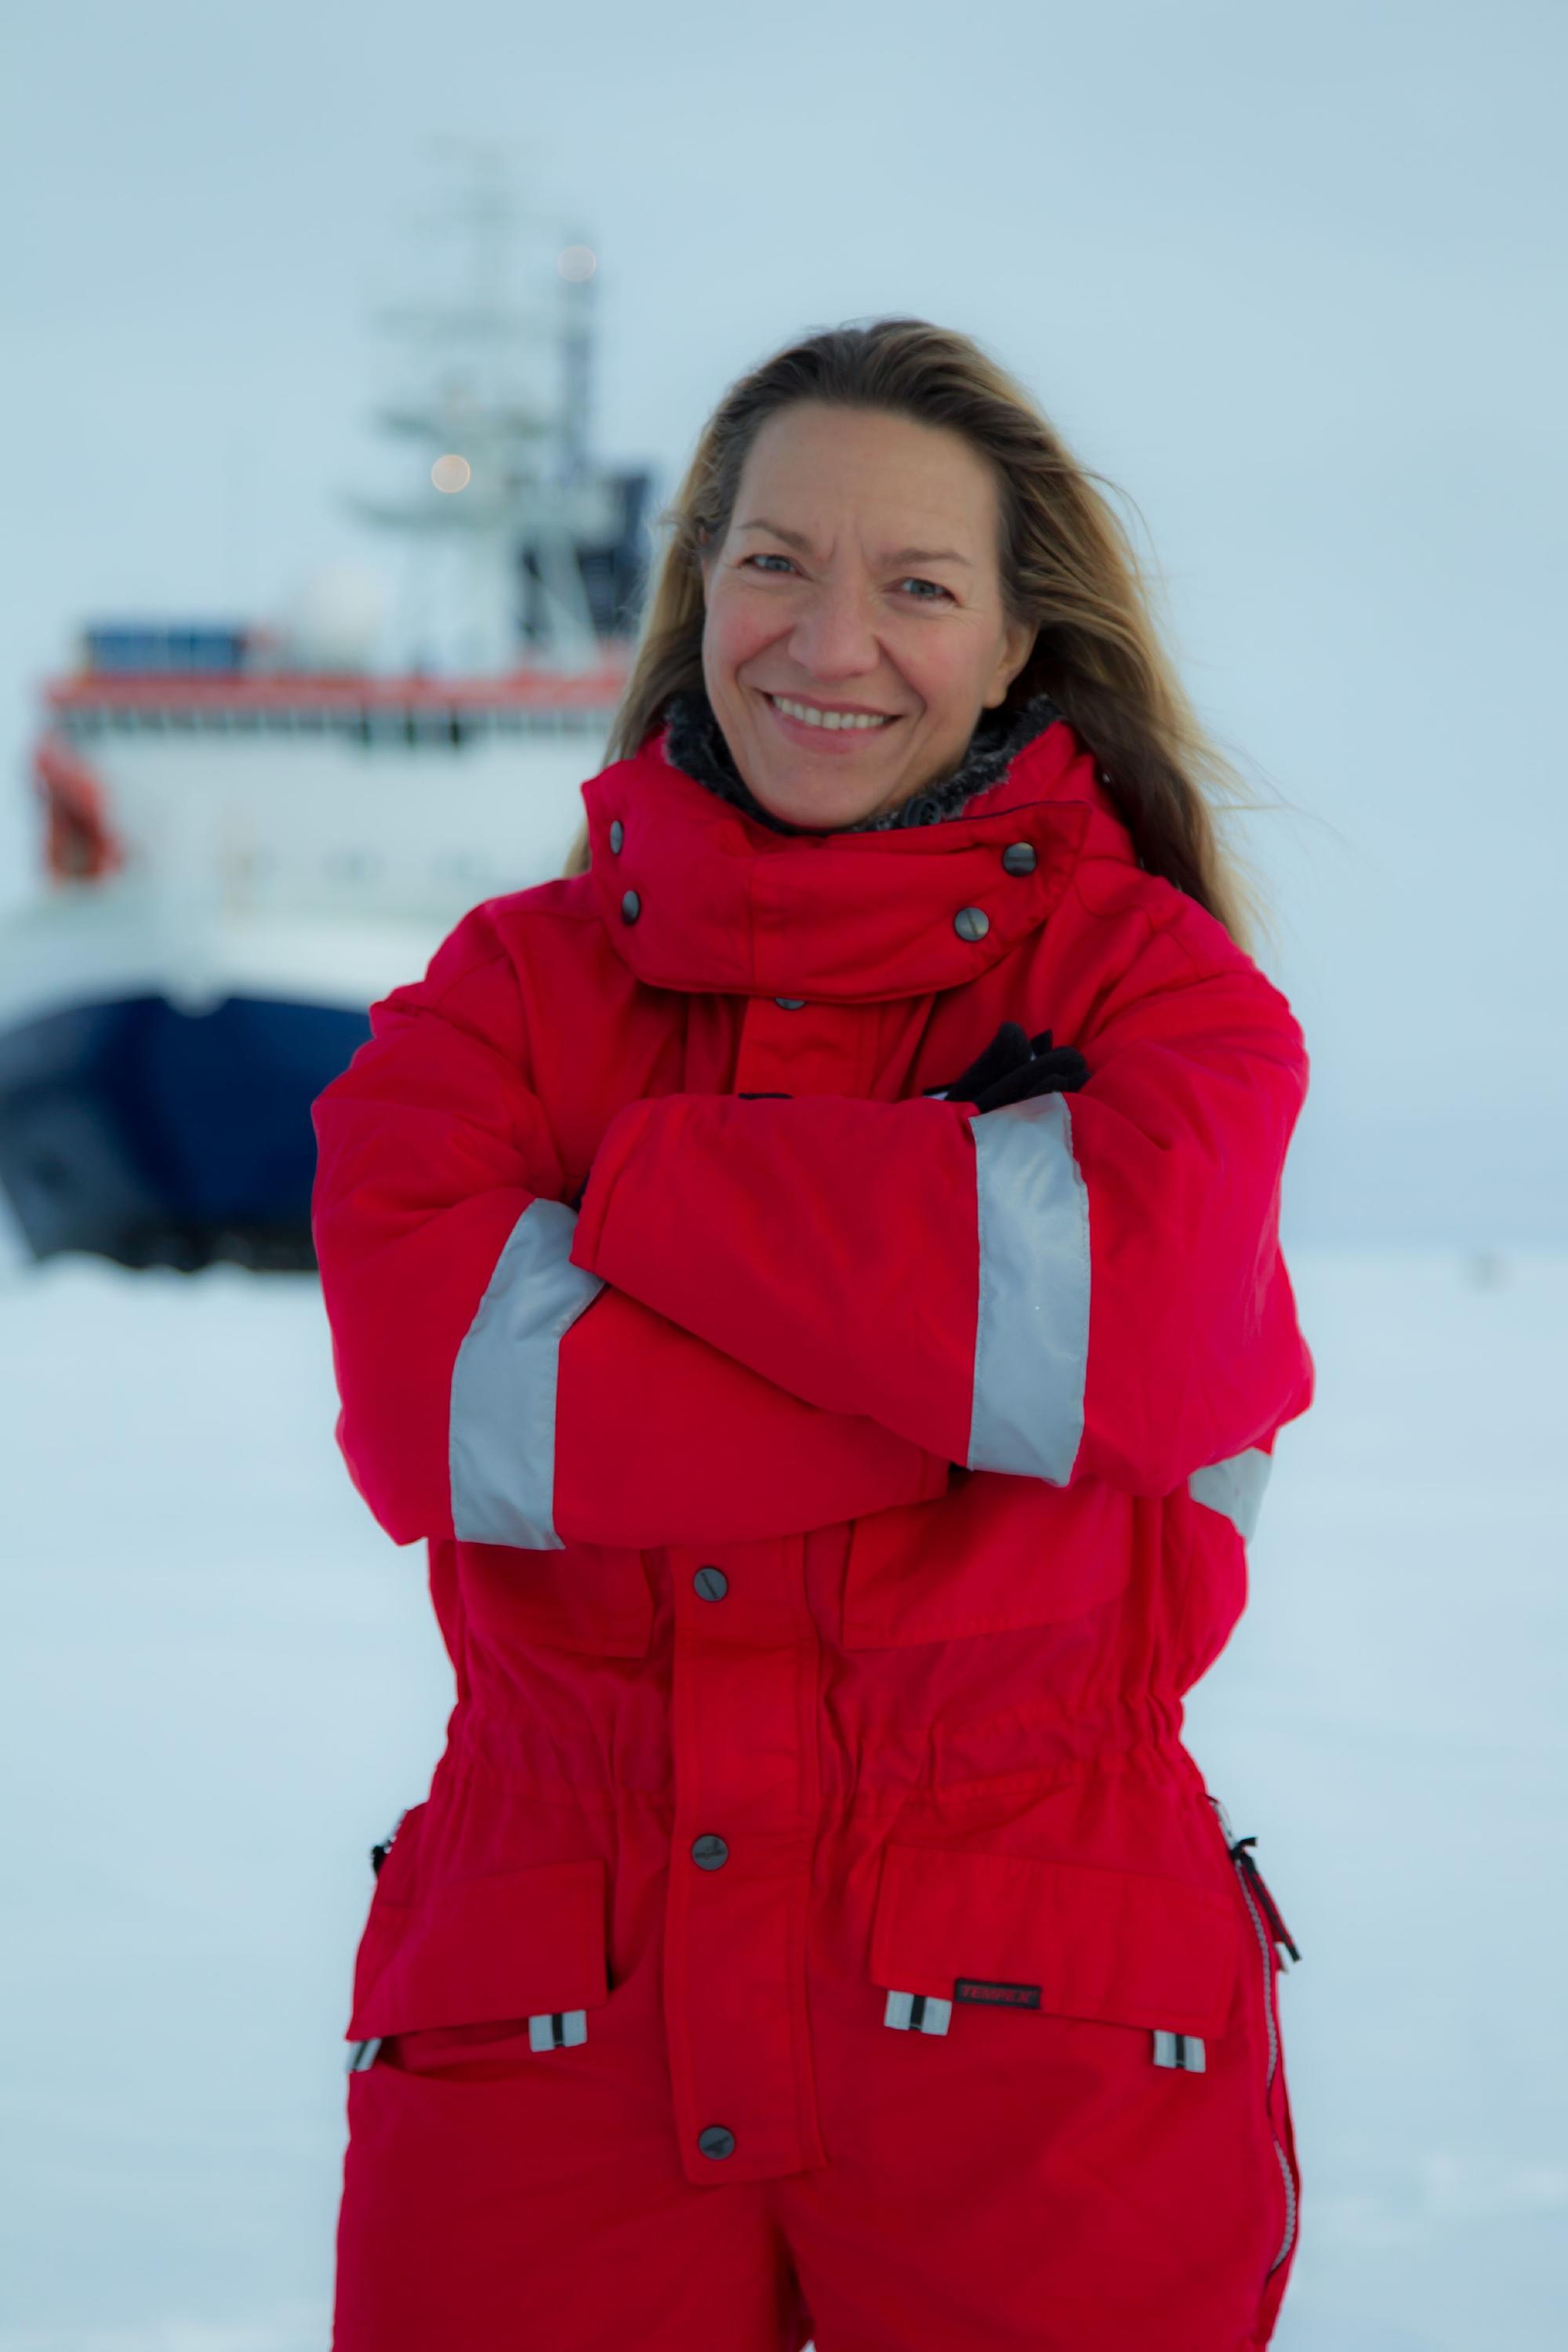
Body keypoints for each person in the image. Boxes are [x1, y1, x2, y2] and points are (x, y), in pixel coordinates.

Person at [311, 318, 1313, 2351]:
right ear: (700, 587)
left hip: (1040, 1987)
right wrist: (957, 1364)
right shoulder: (502, 990)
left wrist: (656, 1196)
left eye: (917, 584)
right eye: (774, 561)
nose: (825, 638)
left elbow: (1125, 1339)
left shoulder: (1161, 996)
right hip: (547, 1993)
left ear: (1021, 647)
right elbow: (457, 1421)